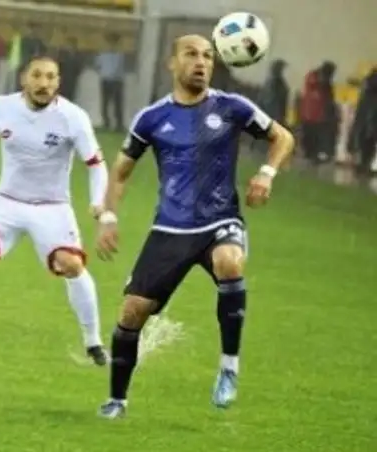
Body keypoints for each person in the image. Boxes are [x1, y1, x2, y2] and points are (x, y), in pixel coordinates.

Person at [94, 35, 295, 418]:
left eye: (207, 56)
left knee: (230, 262)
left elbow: (282, 136)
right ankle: (117, 400)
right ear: (172, 63)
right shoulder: (152, 118)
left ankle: (229, 368)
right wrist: (108, 216)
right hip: (170, 229)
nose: (201, 62)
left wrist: (267, 173)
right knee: (132, 312)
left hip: (220, 220)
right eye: (191, 54)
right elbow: (120, 172)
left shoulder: (232, 107)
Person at [0, 56, 110, 366]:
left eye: (51, 77)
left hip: (52, 206)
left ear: (58, 82)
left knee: (72, 265)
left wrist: (97, 201)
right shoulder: (1, 107)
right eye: (37, 75)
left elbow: (95, 164)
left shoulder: (73, 117)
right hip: (6, 199)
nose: (44, 83)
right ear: (24, 79)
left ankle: (93, 342)